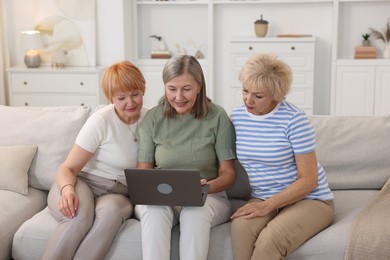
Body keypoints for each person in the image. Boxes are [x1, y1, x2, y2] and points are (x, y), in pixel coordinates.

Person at [230, 53, 334, 260]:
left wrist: (267, 205)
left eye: (258, 96)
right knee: (240, 228)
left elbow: (309, 179)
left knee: (270, 240)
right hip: (263, 196)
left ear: (276, 95)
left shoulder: (294, 121)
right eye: (245, 91)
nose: (248, 100)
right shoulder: (237, 117)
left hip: (310, 200)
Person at [42, 60, 148, 260]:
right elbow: (68, 168)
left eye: (135, 94)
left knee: (110, 215)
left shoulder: (152, 120)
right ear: (110, 98)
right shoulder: (101, 121)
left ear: (143, 90)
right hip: (83, 182)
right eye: (121, 97)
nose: (130, 103)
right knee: (78, 218)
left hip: (120, 192)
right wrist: (67, 190)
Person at [135, 55, 236, 260]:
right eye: (172, 89)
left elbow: (228, 174)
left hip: (209, 197)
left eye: (186, 89)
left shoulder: (218, 117)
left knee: (194, 212)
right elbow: (142, 174)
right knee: (153, 212)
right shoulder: (153, 119)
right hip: (161, 198)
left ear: (199, 86)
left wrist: (203, 188)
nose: (178, 97)